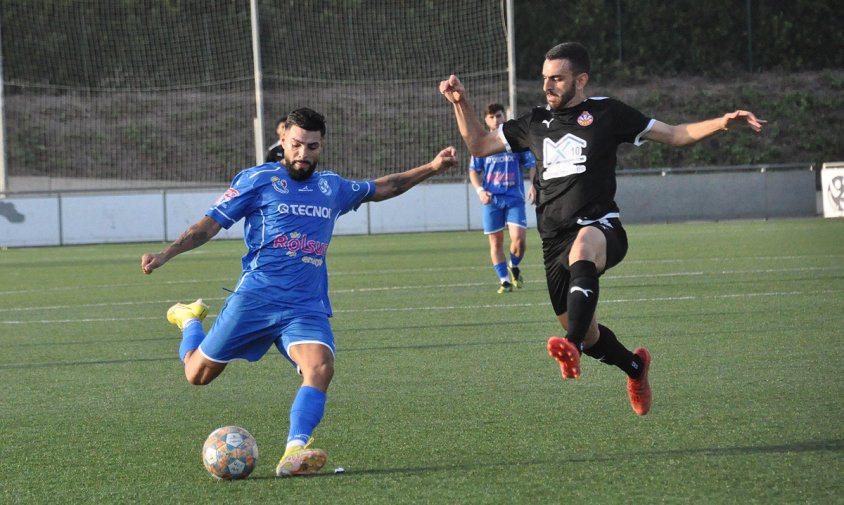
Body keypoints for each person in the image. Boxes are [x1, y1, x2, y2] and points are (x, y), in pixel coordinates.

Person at [440, 42, 765, 416]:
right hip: (552, 241)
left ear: (581, 80)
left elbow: (676, 134)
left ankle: (571, 346)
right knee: (592, 334)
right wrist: (459, 102)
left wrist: (723, 122)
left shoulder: (607, 112)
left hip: (600, 227)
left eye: (557, 79)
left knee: (583, 256)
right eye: (545, 78)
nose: (548, 86)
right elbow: (479, 145)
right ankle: (634, 367)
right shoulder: (532, 123)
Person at [141, 108, 457, 475]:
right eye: (296, 145)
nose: (303, 153)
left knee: (321, 367)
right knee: (197, 375)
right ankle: (188, 320)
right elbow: (208, 225)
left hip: (305, 305)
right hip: (256, 299)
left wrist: (432, 168)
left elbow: (384, 186)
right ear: (284, 141)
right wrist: (167, 253)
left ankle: (294, 451)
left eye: (311, 146)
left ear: (321, 146)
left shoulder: (332, 187)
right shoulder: (258, 179)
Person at [469, 103, 537, 294]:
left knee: (519, 240)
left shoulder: (515, 140)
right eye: (491, 117)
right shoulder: (482, 143)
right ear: (485, 120)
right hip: (492, 200)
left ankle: (513, 265)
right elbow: (474, 171)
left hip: (514, 197)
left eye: (498, 116)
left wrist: (534, 184)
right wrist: (480, 191)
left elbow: (532, 164)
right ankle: (504, 280)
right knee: (496, 242)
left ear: (504, 117)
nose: (495, 120)